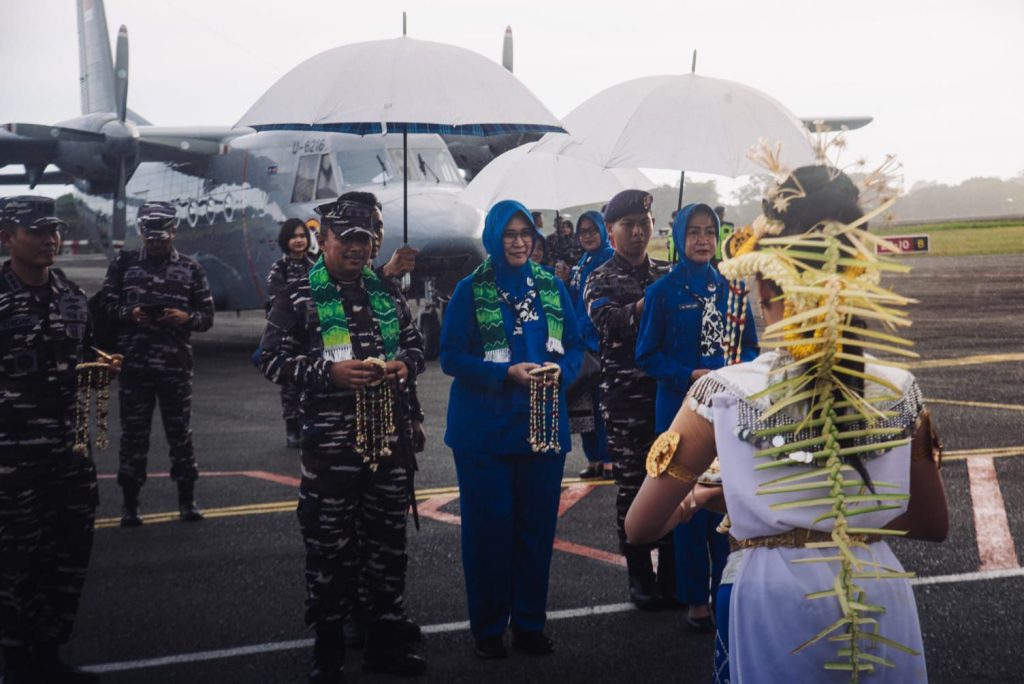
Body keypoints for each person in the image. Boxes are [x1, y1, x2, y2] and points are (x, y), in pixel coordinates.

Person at [626, 164, 948, 683]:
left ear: (764, 285)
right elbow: (932, 525)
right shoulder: (901, 388)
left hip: (772, 598)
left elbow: (640, 527)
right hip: (879, 588)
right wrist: (838, 513)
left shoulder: (723, 392)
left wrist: (709, 501)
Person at [258, 193, 426, 682]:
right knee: (330, 553)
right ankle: (328, 650)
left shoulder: (386, 292)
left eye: (366, 240)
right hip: (332, 451)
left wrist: (402, 366)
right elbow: (269, 359)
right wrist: (326, 373)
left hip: (387, 444)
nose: (358, 249)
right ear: (324, 240)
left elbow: (415, 348)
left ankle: (383, 645)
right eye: (347, 239)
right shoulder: (299, 295)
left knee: (387, 549)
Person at [440, 200, 583, 659]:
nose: (520, 241)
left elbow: (579, 347)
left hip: (542, 426)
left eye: (526, 233)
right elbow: (451, 357)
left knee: (536, 530)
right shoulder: (470, 289)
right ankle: (487, 628)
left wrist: (563, 370)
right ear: (493, 238)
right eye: (510, 234)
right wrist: (502, 373)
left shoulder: (552, 287)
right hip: (485, 430)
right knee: (488, 530)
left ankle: (528, 623)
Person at [0, 195, 120, 683]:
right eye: (36, 230)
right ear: (7, 237)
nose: (50, 238)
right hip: (10, 459)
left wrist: (101, 367)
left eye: (54, 228)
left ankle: (48, 656)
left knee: (67, 556)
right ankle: (14, 662)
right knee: (13, 563)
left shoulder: (71, 295)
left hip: (69, 455)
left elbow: (85, 347)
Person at [635, 203, 759, 630]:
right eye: (694, 233)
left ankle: (725, 593)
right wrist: (689, 373)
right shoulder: (662, 293)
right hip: (679, 416)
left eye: (710, 232)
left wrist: (734, 371)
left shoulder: (732, 289)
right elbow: (646, 355)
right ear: (678, 238)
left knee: (725, 511)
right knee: (686, 513)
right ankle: (695, 601)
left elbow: (753, 350)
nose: (703, 240)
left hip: (728, 415)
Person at [581, 189, 673, 609]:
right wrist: (651, 303)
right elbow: (609, 323)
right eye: (628, 226)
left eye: (644, 224)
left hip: (669, 398)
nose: (638, 233)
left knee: (675, 485)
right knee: (634, 486)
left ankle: (674, 575)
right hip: (626, 402)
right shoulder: (600, 277)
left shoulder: (670, 274)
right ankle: (640, 575)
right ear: (612, 232)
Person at [98, 201, 214, 527]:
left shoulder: (191, 269)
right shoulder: (123, 264)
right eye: (151, 238)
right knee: (134, 436)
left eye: (162, 237)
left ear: (174, 231)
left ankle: (187, 500)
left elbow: (207, 317)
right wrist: (129, 314)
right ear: (141, 233)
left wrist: (185, 317)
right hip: (134, 366)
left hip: (175, 366)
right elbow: (105, 304)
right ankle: (130, 505)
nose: (157, 243)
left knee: (180, 434)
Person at [568, 211, 614, 480]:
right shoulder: (582, 262)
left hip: (601, 344)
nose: (587, 235)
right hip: (580, 343)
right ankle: (593, 457)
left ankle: (609, 457)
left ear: (603, 230)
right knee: (583, 403)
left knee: (603, 405)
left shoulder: (609, 258)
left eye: (591, 230)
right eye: (582, 231)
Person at [266, 218, 317, 448]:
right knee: (290, 384)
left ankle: (309, 425)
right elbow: (277, 300)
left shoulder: (315, 266)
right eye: (294, 236)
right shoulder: (279, 269)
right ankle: (292, 428)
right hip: (289, 335)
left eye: (302, 236)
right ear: (286, 240)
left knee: (312, 379)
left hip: (312, 334)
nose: (299, 241)